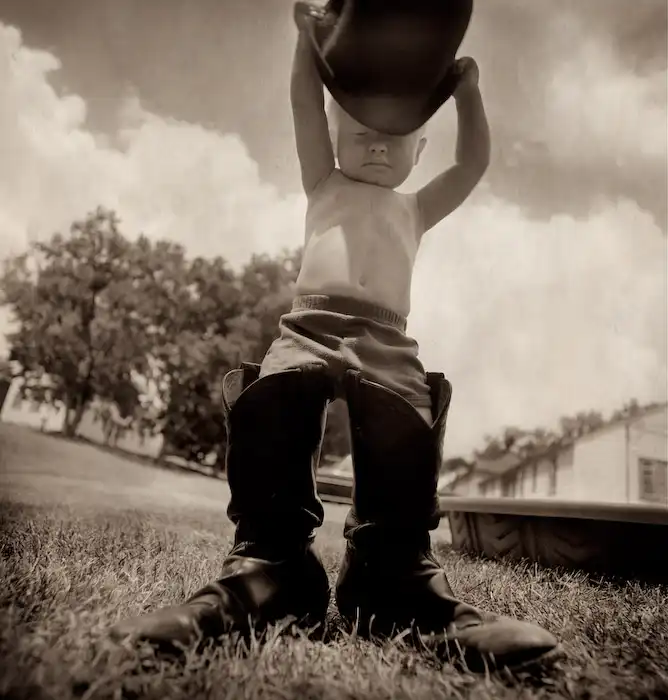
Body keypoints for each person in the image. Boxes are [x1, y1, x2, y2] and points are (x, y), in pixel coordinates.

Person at [110, 15, 561, 673]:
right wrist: (305, 43)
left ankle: (393, 579)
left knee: (405, 420)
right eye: (358, 133)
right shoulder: (323, 182)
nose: (376, 146)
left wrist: (469, 92)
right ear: (333, 130)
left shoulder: (414, 209)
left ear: (419, 149)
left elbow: (472, 164)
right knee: (272, 400)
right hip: (307, 328)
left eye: (393, 137)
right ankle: (269, 568)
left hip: (388, 340)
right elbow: (303, 102)